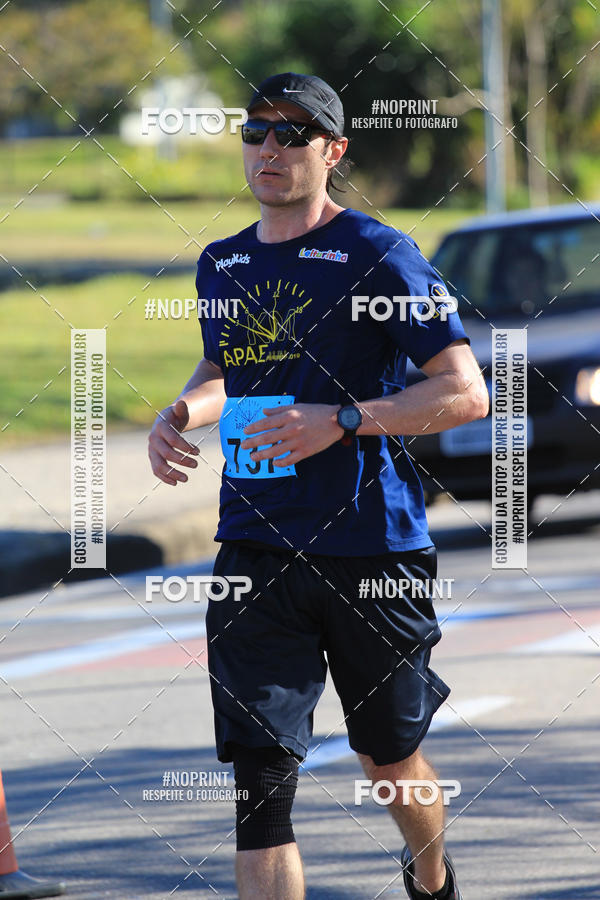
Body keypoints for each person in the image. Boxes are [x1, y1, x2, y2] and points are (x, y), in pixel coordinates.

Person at [148, 72, 488, 900]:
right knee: (260, 784)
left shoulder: (378, 254)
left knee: (387, 758)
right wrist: (180, 412)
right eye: (257, 131)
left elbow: (463, 390)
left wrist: (339, 420)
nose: (270, 148)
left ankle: (432, 874)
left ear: (333, 152)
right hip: (257, 544)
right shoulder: (222, 262)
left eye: (294, 134)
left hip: (370, 547)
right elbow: (231, 368)